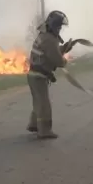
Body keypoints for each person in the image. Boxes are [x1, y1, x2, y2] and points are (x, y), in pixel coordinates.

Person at [26, 10, 76, 139]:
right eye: (59, 26)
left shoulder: (44, 36)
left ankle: (34, 124)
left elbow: (50, 52)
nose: (60, 29)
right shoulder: (49, 39)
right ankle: (44, 131)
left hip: (33, 74)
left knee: (38, 102)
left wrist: (64, 48)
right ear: (54, 25)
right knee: (44, 104)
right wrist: (64, 60)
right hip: (39, 76)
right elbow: (57, 60)